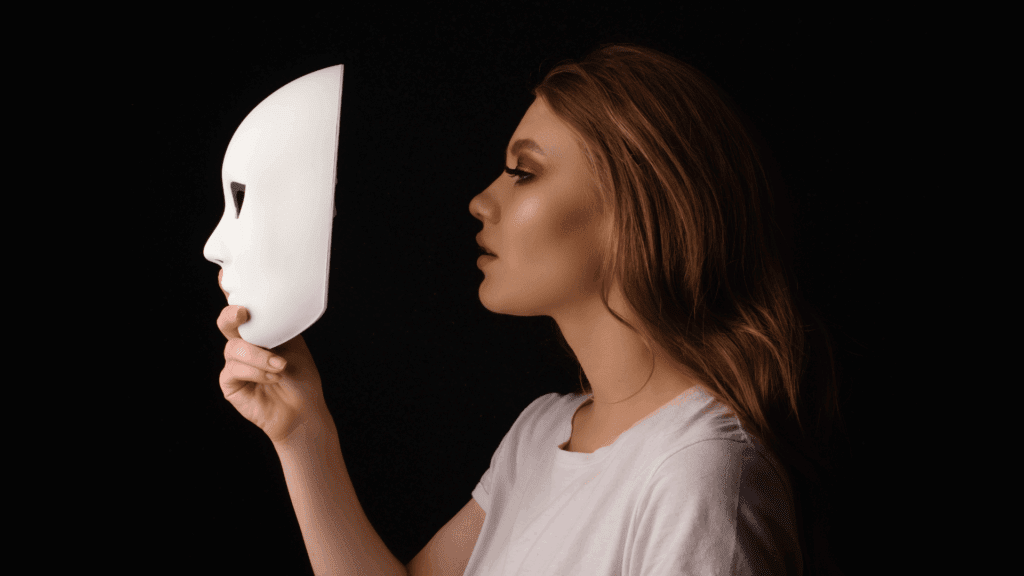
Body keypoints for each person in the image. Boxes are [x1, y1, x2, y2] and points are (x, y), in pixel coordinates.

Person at [215, 43, 847, 576]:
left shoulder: (697, 476)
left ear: (639, 211)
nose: (480, 202)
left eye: (523, 173)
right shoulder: (542, 433)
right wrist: (302, 434)